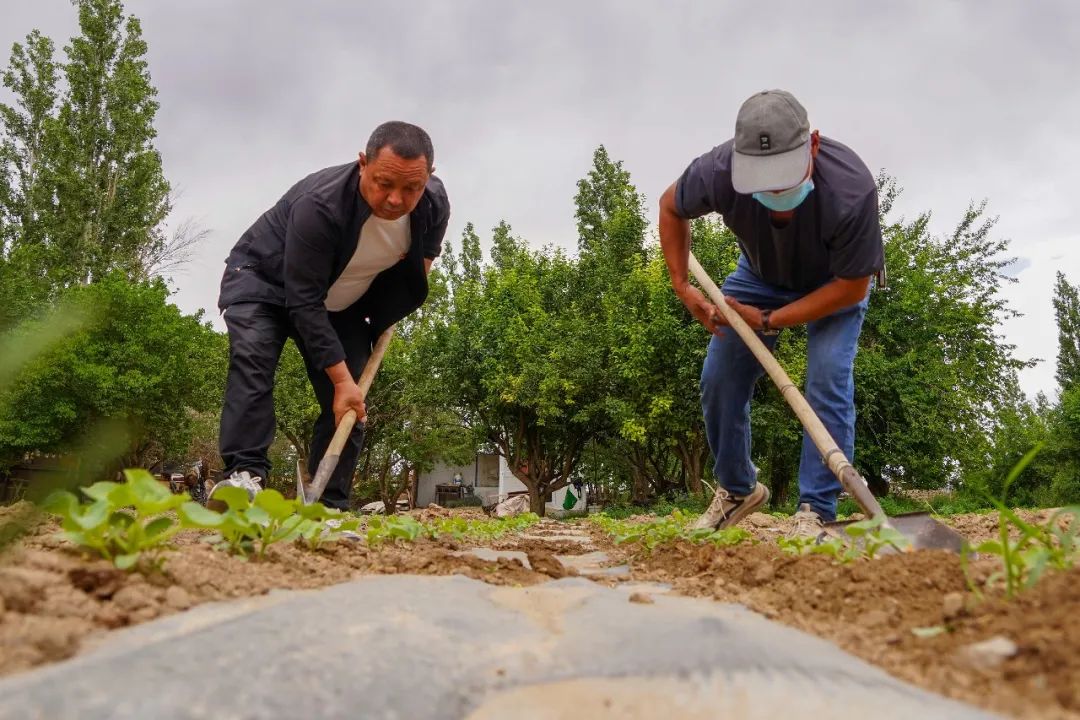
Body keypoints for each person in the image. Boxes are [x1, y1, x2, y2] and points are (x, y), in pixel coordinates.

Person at [657, 90, 884, 538]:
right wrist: (682, 285)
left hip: (834, 284)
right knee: (719, 378)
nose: (776, 190)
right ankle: (739, 489)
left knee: (827, 378)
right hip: (760, 277)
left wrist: (770, 321)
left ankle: (818, 510)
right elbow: (670, 206)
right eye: (763, 178)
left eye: (784, 174)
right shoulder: (718, 171)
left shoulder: (852, 191)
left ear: (812, 145)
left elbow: (853, 286)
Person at [212, 121, 450, 510]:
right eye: (383, 183)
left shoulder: (433, 203)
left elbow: (422, 261)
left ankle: (329, 502)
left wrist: (393, 306)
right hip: (265, 282)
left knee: (350, 398)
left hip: (343, 299)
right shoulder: (320, 205)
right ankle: (245, 477)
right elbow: (303, 301)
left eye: (411, 187)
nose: (395, 199)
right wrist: (340, 380)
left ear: (429, 177)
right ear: (362, 164)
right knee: (253, 360)